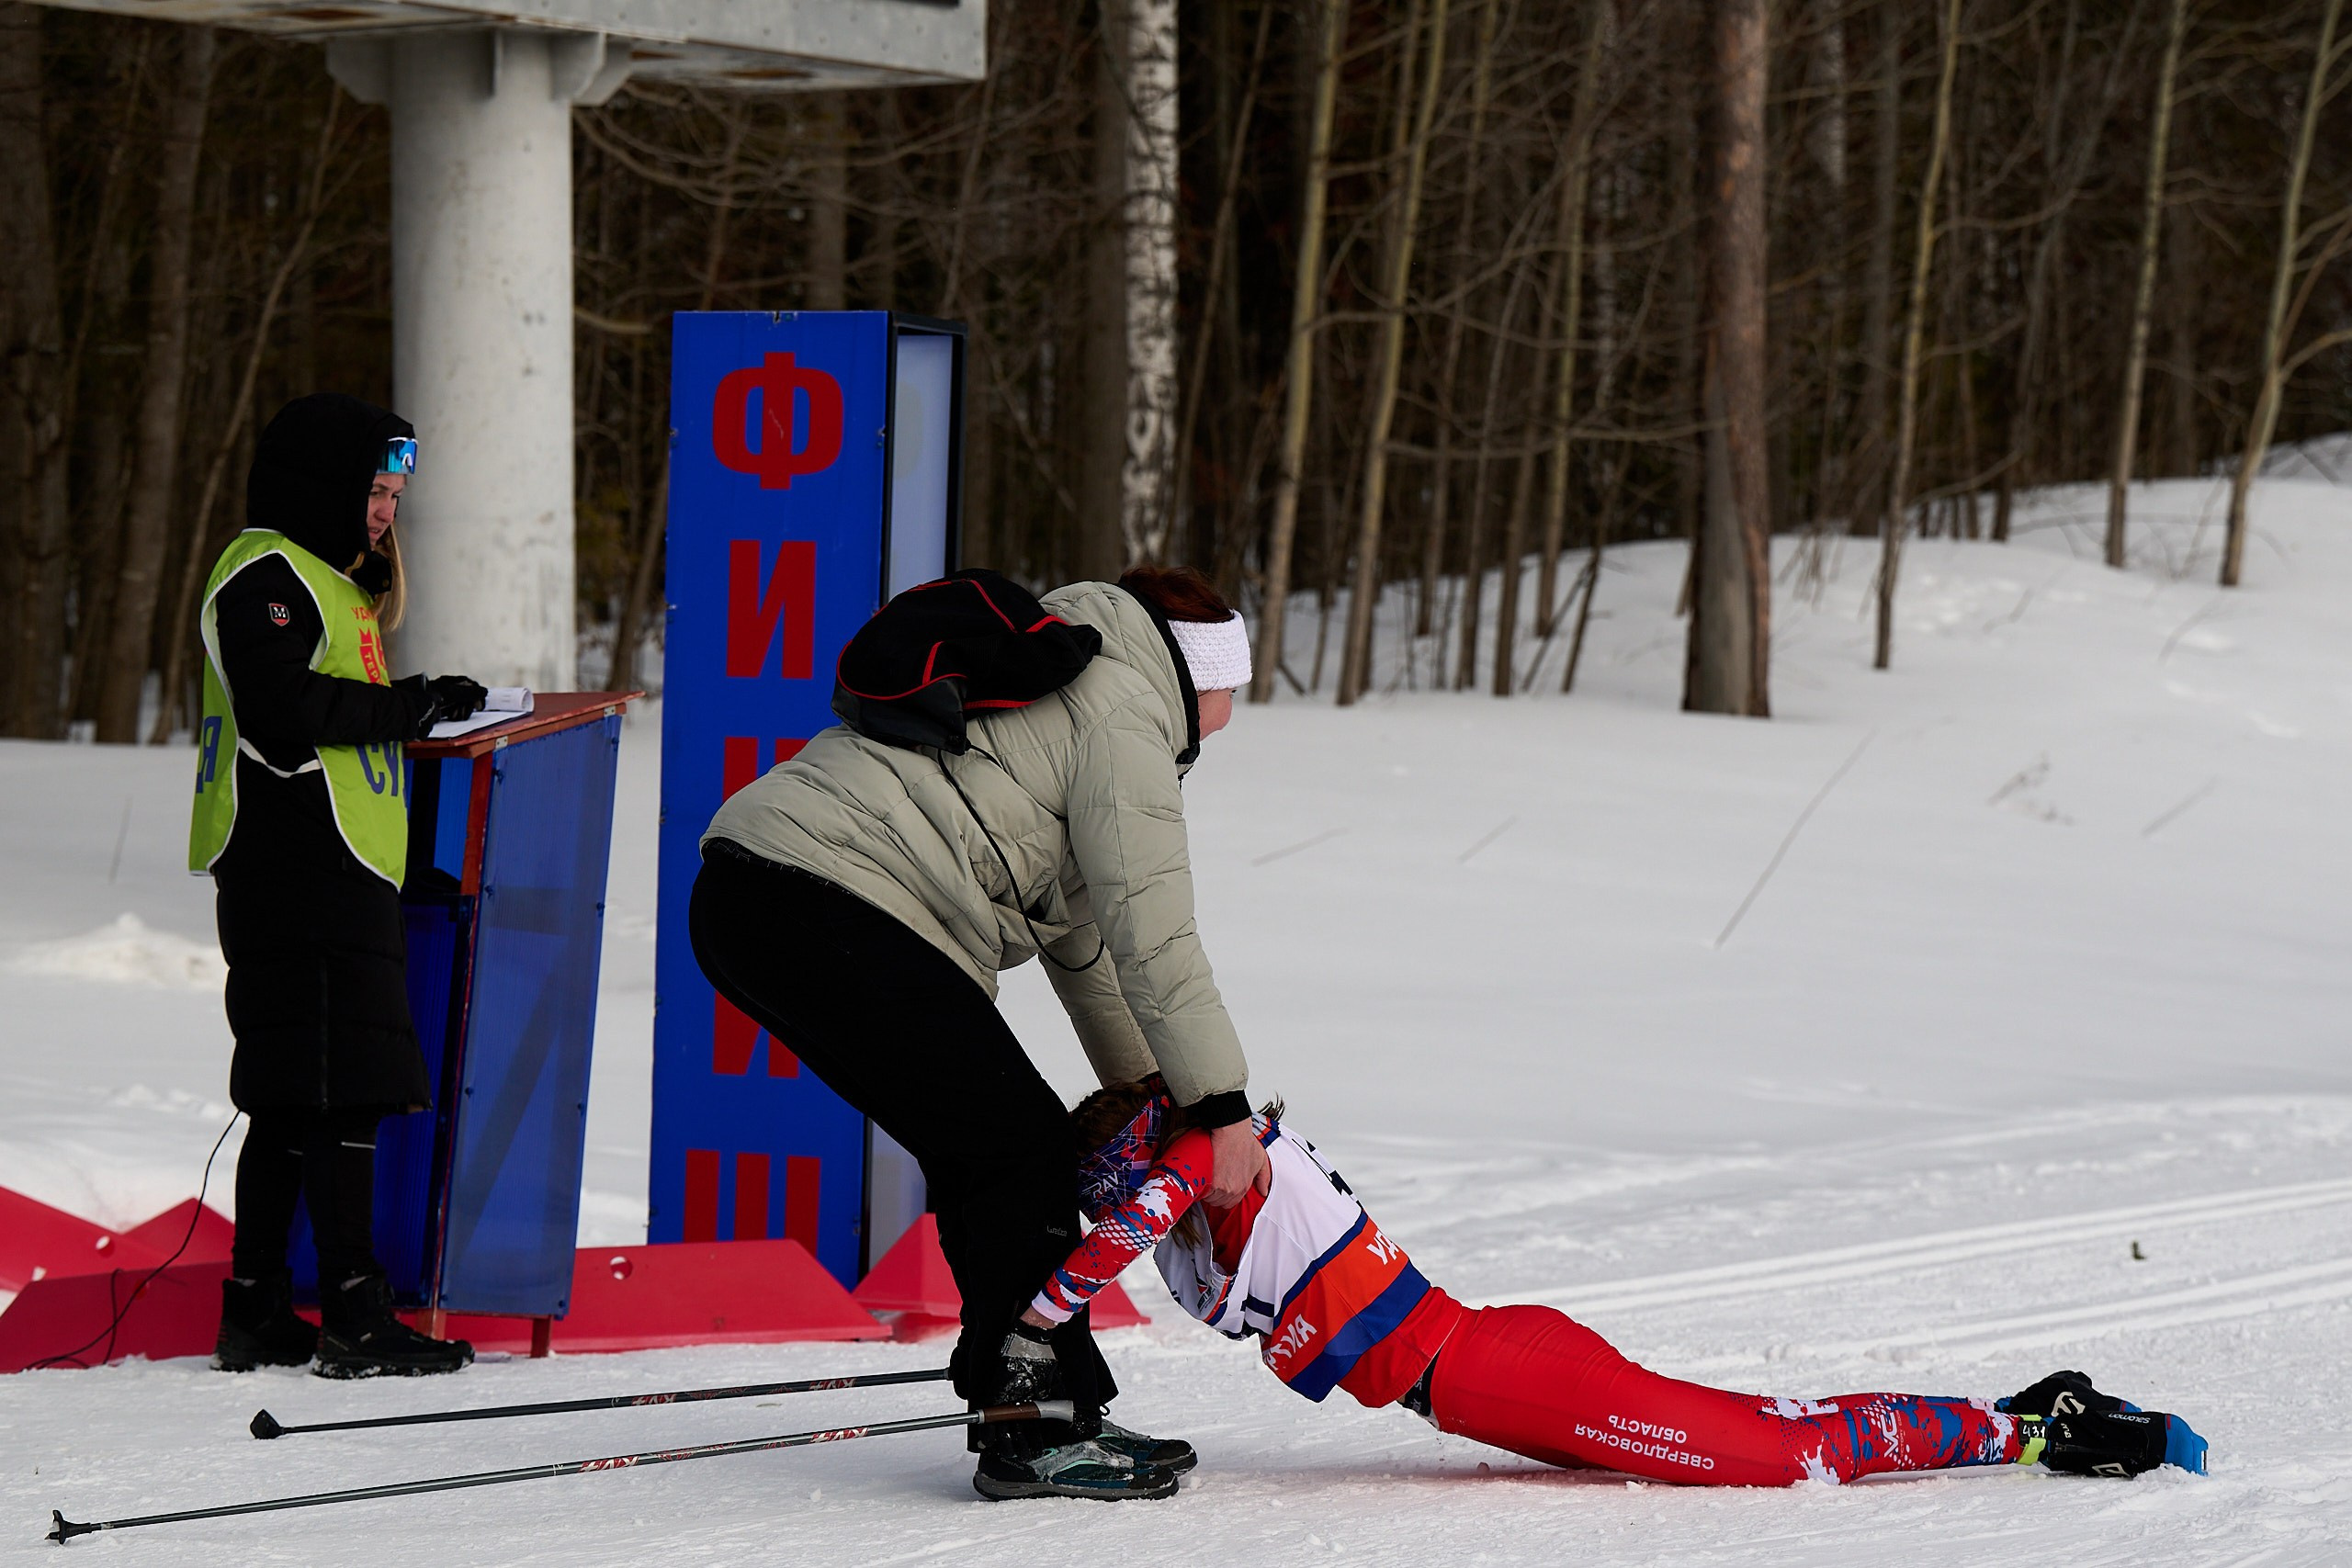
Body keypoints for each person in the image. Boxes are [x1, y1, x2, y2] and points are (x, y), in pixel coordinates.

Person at [691, 565, 1269, 1500]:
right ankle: (1032, 1427)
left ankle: (1043, 1410)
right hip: (830, 899)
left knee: (990, 1145)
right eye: (1222, 701)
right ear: (1193, 673)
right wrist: (1222, 1109)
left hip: (757, 895)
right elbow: (1154, 933)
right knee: (1012, 1147)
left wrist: (1154, 1107)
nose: (1217, 727)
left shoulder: (1065, 685)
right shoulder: (1124, 711)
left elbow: (1088, 952)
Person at [1025, 1077, 2211, 1489]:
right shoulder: (1207, 1193)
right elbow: (1152, 1229)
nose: (1112, 1210)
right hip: (1489, 1375)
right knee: (1759, 1437)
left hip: (1494, 1369)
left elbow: (1137, 1219)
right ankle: (2021, 1418)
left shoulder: (1212, 1161)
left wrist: (1034, 1321)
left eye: (1107, 1182)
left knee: (1772, 1451)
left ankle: (2032, 1429)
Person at [192, 393, 491, 1379]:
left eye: (395, 494)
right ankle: (355, 1316)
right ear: (324, 482)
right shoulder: (267, 573)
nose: (384, 511)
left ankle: (257, 1308)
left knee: (292, 1095)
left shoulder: (335, 586)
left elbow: (328, 709)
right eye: (373, 488)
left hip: (332, 864)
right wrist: (406, 707)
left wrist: (417, 710)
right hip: (298, 864)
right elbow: (280, 711)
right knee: (340, 1092)